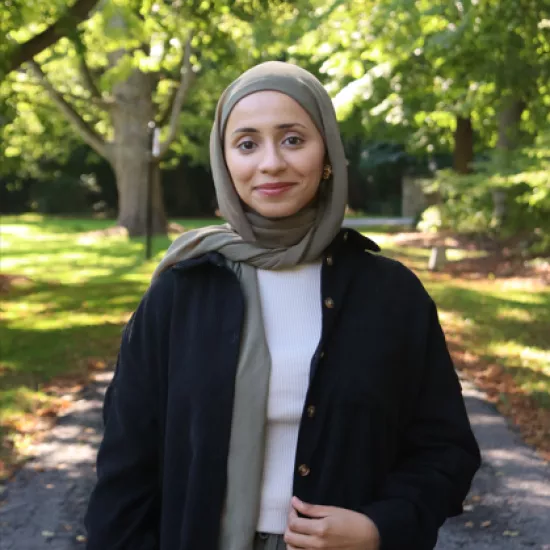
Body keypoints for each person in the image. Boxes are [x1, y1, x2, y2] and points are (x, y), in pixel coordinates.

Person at [85, 61, 481, 550]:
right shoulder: (180, 292)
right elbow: (126, 469)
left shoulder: (392, 294)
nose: (270, 163)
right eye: (247, 143)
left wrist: (380, 528)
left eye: (293, 139)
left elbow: (445, 451)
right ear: (225, 160)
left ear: (328, 153)